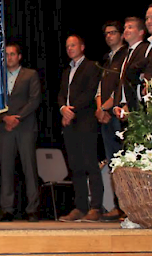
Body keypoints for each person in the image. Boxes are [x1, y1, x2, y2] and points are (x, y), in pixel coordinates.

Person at [57, 35, 103, 222]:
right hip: (70, 123)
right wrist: (63, 109)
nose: (70, 48)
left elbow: (90, 92)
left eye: (73, 45)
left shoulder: (92, 66)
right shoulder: (67, 70)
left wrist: (71, 111)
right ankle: (80, 207)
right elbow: (61, 94)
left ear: (82, 47)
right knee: (75, 166)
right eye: (67, 46)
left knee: (90, 164)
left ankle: (96, 207)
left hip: (85, 121)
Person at [0, 43, 41, 222]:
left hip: (25, 127)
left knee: (29, 168)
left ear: (19, 56)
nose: (9, 57)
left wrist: (17, 118)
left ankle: (33, 209)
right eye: (6, 55)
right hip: (5, 127)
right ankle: (7, 209)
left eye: (12, 54)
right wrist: (4, 117)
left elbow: (34, 100)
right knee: (6, 169)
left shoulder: (30, 74)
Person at [93, 22, 127, 221]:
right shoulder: (107, 59)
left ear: (121, 35)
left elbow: (122, 87)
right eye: (106, 33)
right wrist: (99, 108)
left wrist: (105, 107)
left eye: (113, 33)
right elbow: (100, 88)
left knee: (123, 162)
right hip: (105, 114)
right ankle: (117, 205)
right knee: (113, 163)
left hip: (118, 114)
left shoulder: (125, 56)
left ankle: (126, 208)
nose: (108, 36)